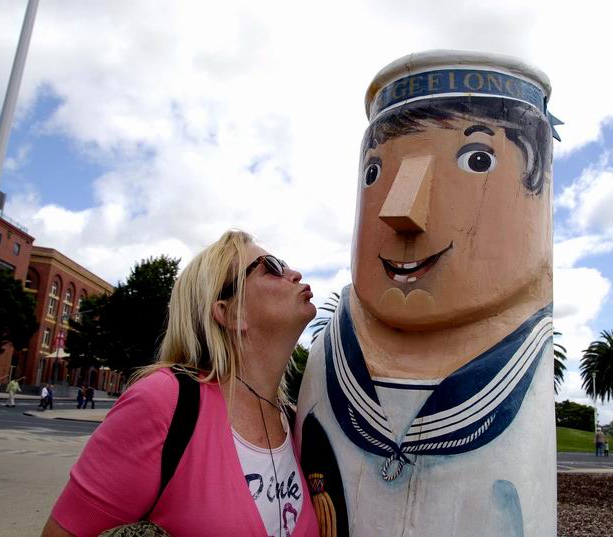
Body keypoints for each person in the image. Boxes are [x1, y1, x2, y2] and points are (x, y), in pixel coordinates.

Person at [297, 51, 559, 536]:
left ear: (538, 194)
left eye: (476, 160)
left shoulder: (527, 369)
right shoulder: (328, 359)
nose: (400, 211)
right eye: (374, 173)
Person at [42, 229, 320, 537]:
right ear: (229, 313)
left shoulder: (297, 423)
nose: (294, 274)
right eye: (272, 267)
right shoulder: (163, 400)